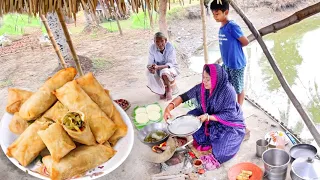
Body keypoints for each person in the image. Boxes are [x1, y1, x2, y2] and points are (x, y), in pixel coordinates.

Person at [164, 64, 245, 165]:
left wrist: (208, 117)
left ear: (216, 79)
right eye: (203, 77)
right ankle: (207, 138)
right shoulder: (202, 88)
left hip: (227, 122)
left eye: (208, 79)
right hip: (208, 115)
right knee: (190, 116)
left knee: (222, 152)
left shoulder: (228, 91)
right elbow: (184, 96)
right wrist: (169, 107)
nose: (204, 82)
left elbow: (230, 114)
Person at [210, 0, 249, 106]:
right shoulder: (222, 27)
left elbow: (245, 42)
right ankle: (229, 104)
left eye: (217, 14)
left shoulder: (232, 26)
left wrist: (234, 48)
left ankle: (239, 109)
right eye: (213, 14)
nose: (215, 17)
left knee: (238, 88)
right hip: (227, 63)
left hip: (236, 64)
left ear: (226, 12)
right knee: (227, 84)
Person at [146, 32, 180, 101]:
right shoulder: (152, 48)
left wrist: (158, 67)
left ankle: (168, 90)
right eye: (157, 41)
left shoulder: (170, 47)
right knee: (149, 73)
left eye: (162, 41)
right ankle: (160, 91)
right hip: (157, 68)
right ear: (154, 42)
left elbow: (170, 64)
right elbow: (150, 63)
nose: (159, 44)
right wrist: (151, 68)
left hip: (170, 68)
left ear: (166, 40)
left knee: (164, 72)